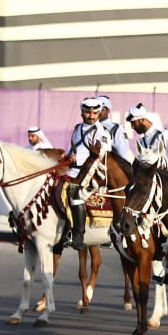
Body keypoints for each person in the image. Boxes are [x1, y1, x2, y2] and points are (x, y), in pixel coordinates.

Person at [54, 96, 111, 252]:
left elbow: (103, 154)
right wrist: (67, 155)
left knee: (75, 194)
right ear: (82, 112)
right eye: (87, 112)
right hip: (74, 170)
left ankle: (78, 236)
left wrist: (76, 158)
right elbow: (74, 148)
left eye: (94, 113)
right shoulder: (77, 128)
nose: (91, 116)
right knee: (54, 188)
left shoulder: (102, 132)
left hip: (94, 171)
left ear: (99, 113)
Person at [116, 103, 168, 173]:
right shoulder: (141, 142)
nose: (132, 127)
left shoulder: (165, 136)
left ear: (142, 120)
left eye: (134, 123)